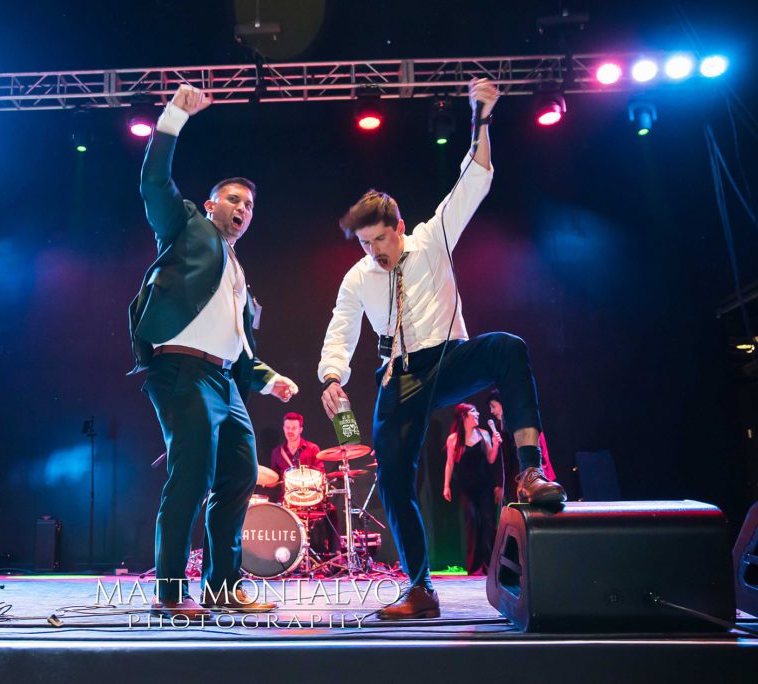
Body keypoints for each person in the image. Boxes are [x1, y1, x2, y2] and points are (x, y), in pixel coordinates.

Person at [317, 78, 566, 620]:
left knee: (507, 348)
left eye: (380, 239)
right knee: (394, 480)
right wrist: (332, 376)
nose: (374, 251)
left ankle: (528, 471)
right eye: (365, 243)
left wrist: (481, 117)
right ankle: (420, 589)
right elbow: (341, 328)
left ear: (400, 227)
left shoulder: (433, 238)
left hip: (448, 359)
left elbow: (474, 178)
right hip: (399, 376)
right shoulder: (358, 277)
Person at [129, 84, 299, 617]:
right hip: (182, 371)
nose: (242, 208)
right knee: (191, 478)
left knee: (239, 477)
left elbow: (238, 344)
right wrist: (173, 117)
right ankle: (170, 593)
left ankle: (222, 588)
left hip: (225, 382)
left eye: (249, 205)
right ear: (210, 205)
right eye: (233, 199)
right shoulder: (186, 228)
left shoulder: (238, 274)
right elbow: (153, 181)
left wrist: (268, 378)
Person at [270, 412, 341, 557]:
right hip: (288, 500)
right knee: (272, 511)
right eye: (287, 427)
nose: (290, 431)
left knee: (331, 510)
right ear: (283, 428)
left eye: (294, 428)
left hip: (311, 498)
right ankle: (281, 555)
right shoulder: (277, 452)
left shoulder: (312, 449)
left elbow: (321, 474)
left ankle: (335, 553)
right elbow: (273, 478)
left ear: (300, 429)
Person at [443, 403, 500, 576]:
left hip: (485, 486)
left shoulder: (483, 434)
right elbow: (449, 463)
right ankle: (474, 567)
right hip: (466, 488)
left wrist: (496, 444)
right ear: (464, 416)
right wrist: (446, 485)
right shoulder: (453, 439)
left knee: (489, 523)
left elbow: (491, 459)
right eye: (473, 411)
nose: (478, 414)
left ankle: (490, 565)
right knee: (472, 522)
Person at [487, 389, 556, 504]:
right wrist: (500, 484)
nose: (492, 411)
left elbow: (540, 449)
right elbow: (505, 460)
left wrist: (542, 473)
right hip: (516, 482)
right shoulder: (499, 427)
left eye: (493, 406)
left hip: (534, 476)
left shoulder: (523, 420)